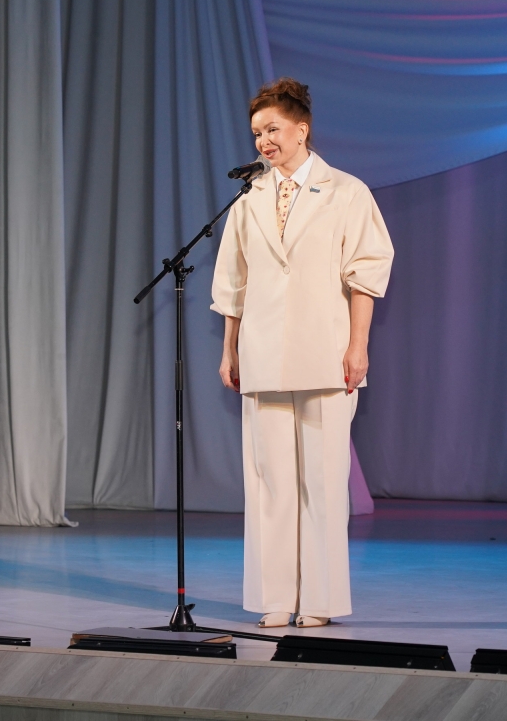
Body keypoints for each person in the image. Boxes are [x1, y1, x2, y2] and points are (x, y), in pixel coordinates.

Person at [211, 78, 394, 628]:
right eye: (256, 133)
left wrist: (358, 347)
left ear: (301, 129)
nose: (263, 141)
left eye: (272, 129)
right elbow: (233, 283)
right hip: (263, 353)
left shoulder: (346, 191)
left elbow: (365, 276)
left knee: (323, 480)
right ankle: (275, 597)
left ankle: (319, 600)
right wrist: (229, 351)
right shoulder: (249, 197)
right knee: (270, 482)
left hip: (326, 353)